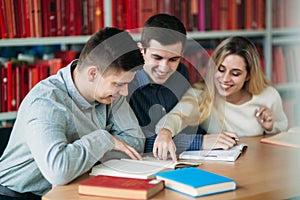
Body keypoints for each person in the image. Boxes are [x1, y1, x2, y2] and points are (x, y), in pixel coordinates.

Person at [0, 27, 145, 199]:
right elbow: (59, 172)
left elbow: (135, 144)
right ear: (92, 73)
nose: (125, 92)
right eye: (119, 84)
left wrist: (78, 158)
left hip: (75, 187)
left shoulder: (110, 93)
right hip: (19, 195)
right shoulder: (46, 102)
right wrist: (105, 139)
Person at [156, 36, 288, 150]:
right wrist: (165, 132)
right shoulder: (201, 94)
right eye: (220, 70)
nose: (225, 79)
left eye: (235, 73)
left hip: (258, 160)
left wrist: (270, 127)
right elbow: (175, 117)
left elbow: (282, 130)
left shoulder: (269, 95)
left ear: (248, 75)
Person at [127, 13, 205, 161]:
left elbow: (186, 123)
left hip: (180, 160)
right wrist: (199, 142)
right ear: (141, 50)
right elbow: (135, 142)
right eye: (157, 58)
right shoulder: (126, 84)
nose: (164, 68)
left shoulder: (182, 72)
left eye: (173, 59)